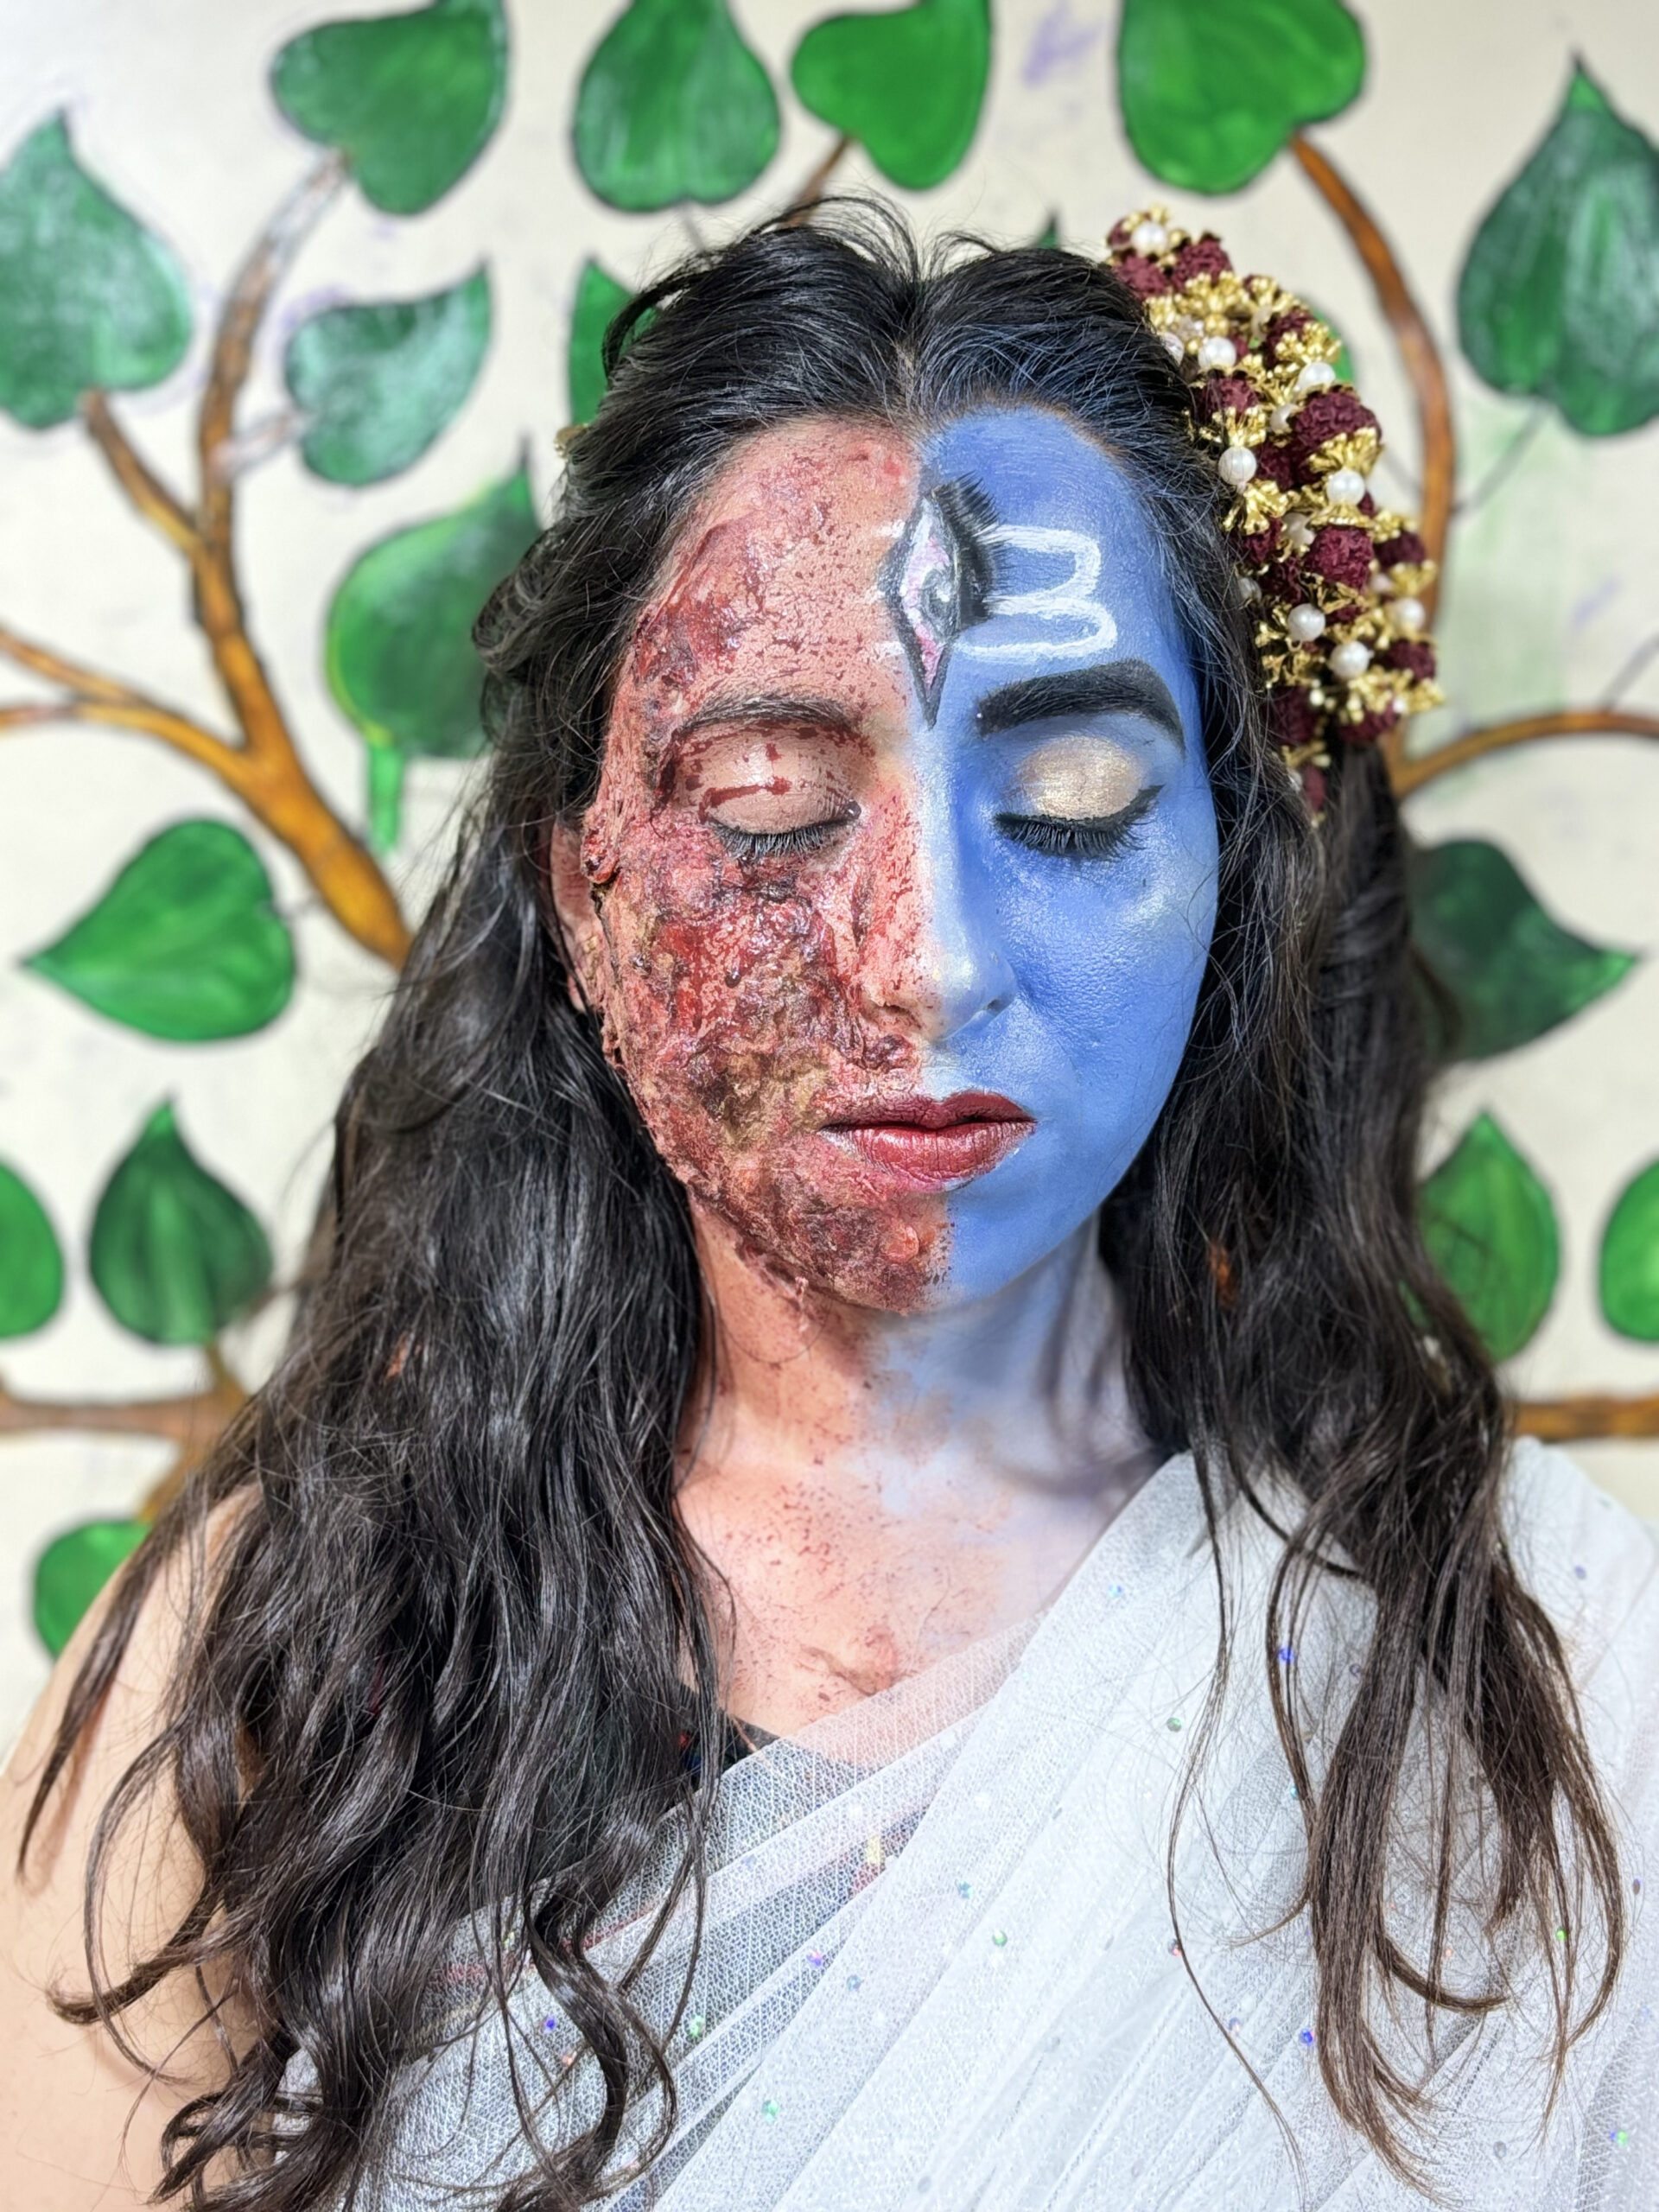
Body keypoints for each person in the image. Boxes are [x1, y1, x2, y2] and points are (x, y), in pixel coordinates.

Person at [2, 205, 1656, 2212]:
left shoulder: (1547, 1676)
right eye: (773, 800)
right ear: (582, 893)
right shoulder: (262, 1669)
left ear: (1230, 873)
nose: (929, 956)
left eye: (1071, 805)